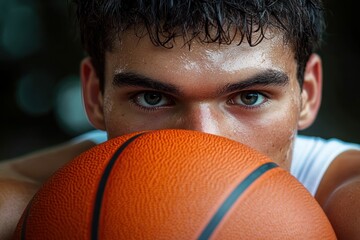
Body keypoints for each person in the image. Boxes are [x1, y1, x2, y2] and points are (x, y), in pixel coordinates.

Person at [0, 0, 359, 239]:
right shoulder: (26, 203)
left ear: (307, 93)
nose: (202, 140)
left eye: (249, 98)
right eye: (152, 98)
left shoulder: (349, 201)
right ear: (95, 95)